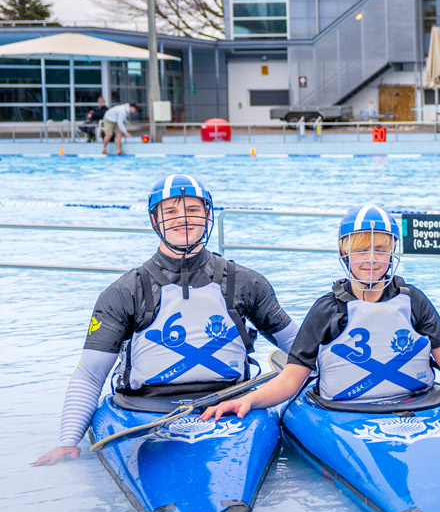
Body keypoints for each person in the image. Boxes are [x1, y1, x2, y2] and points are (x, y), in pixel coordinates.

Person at [34, 175, 299, 465]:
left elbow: (300, 349)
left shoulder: (247, 283)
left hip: (231, 403)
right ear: (154, 220)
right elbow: (90, 373)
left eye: (193, 210)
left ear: (207, 215)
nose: (182, 219)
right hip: (142, 408)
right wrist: (68, 441)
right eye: (171, 211)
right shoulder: (124, 292)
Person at [203, 206, 440, 420]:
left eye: (381, 249)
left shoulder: (414, 301)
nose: (371, 259)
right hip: (342, 410)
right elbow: (291, 379)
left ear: (392, 253)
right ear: (344, 253)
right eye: (361, 250)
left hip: (419, 403)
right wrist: (249, 401)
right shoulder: (327, 310)